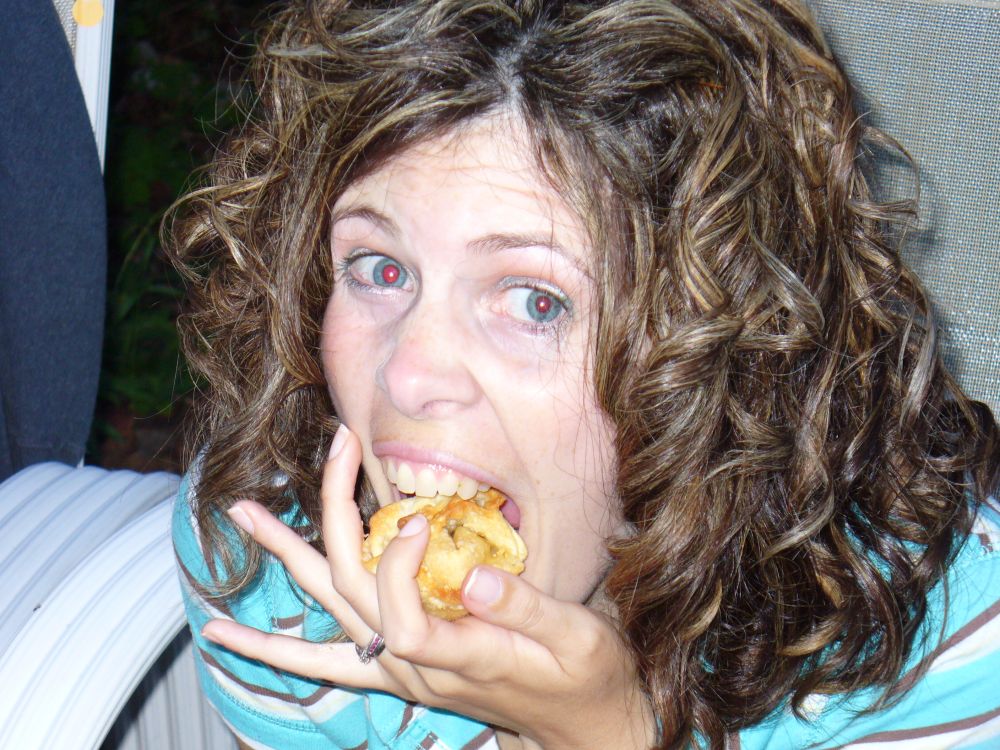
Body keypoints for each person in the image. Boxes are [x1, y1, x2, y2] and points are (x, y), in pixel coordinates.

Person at [166, 1, 1000, 748]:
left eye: (536, 301)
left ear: (729, 352)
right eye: (380, 269)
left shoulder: (938, 643)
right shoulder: (263, 568)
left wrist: (602, 734)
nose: (408, 376)